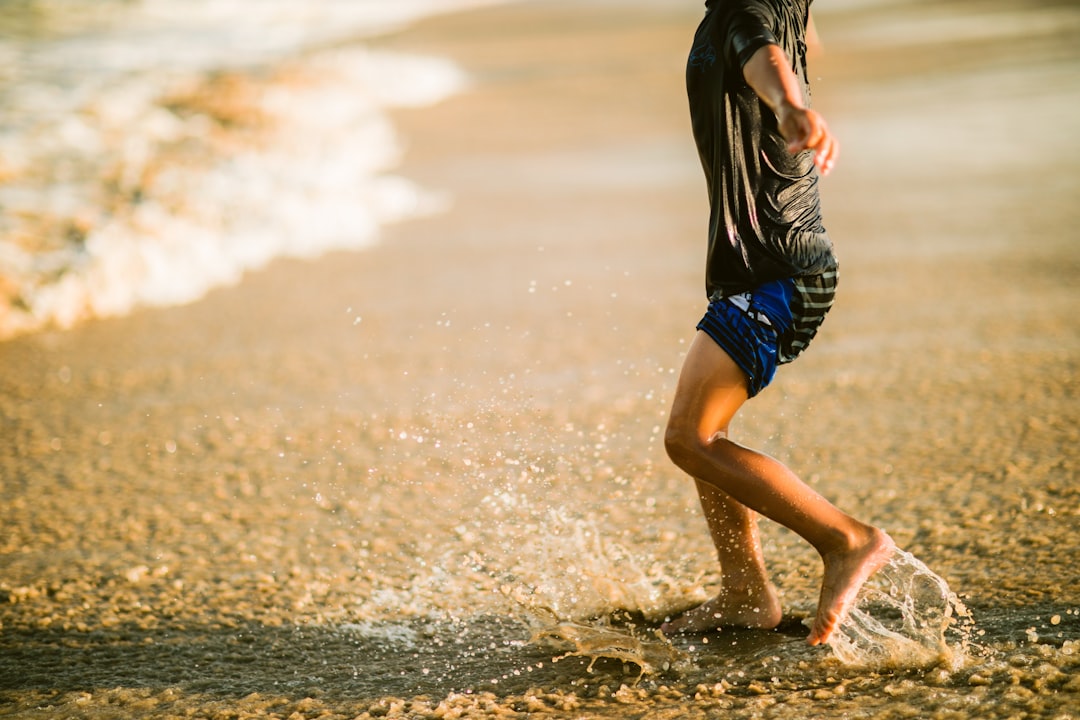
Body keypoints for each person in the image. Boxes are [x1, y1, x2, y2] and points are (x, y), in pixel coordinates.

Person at [661, 0, 895, 646]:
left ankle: (845, 539)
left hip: (779, 275)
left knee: (689, 437)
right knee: (709, 431)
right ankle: (744, 590)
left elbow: (760, 50)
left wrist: (790, 104)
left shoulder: (744, 6)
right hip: (757, 272)